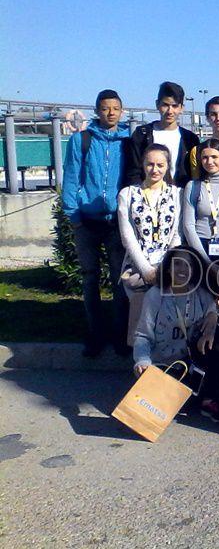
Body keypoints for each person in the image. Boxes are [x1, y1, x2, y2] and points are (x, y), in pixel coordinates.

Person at [61, 89, 130, 357]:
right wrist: (74, 216)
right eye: (105, 108)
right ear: (97, 110)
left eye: (115, 108)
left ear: (121, 111)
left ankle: (121, 334)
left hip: (115, 223)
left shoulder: (127, 141)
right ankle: (96, 334)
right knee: (90, 279)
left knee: (119, 280)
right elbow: (71, 177)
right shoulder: (82, 140)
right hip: (86, 222)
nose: (110, 113)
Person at [132, 246, 219, 414]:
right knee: (163, 408)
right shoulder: (155, 295)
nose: (183, 269)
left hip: (191, 364)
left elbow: (213, 310)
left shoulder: (200, 293)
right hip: (164, 365)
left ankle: (206, 397)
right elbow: (143, 335)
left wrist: (212, 317)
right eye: (178, 264)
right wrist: (142, 360)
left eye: (188, 265)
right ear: (168, 268)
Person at [118, 143, 183, 346]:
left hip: (168, 269)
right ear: (143, 164)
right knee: (141, 329)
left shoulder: (177, 194)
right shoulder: (127, 194)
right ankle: (141, 362)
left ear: (168, 166)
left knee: (165, 326)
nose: (155, 169)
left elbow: (177, 233)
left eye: (160, 165)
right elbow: (127, 236)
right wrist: (146, 270)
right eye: (150, 164)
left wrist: (165, 267)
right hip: (138, 270)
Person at [182, 139, 219, 283]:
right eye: (205, 157)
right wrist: (207, 264)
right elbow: (188, 226)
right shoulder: (193, 186)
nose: (209, 161)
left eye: (214, 157)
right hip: (200, 248)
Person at [126, 81, 199, 187]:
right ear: (157, 104)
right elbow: (133, 171)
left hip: (181, 194)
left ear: (182, 108)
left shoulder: (190, 139)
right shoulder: (142, 135)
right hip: (146, 194)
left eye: (174, 106)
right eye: (165, 105)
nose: (170, 111)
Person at [187, 96, 219, 179]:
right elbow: (196, 183)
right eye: (213, 114)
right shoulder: (197, 151)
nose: (218, 118)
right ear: (207, 118)